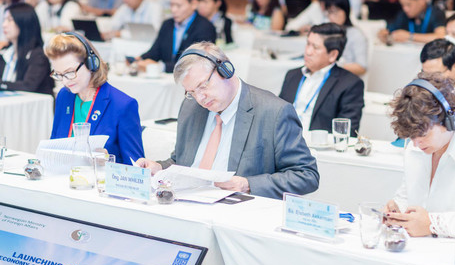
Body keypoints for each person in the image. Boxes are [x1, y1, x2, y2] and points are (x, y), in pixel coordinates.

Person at [136, 42, 319, 198]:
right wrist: (160, 167)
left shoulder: (274, 112)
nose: (200, 98)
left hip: (238, 211)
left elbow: (306, 175)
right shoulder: (191, 107)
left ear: (225, 70)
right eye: (191, 92)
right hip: (186, 204)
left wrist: (247, 184)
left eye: (203, 86)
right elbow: (182, 162)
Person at [383, 72, 455, 237]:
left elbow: (428, 221)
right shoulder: (414, 149)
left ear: (449, 121)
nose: (416, 144)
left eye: (423, 135)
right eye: (411, 137)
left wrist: (433, 224)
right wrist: (397, 210)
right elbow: (407, 198)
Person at [45, 32, 144, 165]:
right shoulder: (64, 96)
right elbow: (54, 147)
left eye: (70, 72)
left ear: (91, 63)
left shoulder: (123, 105)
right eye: (59, 74)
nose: (65, 81)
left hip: (101, 178)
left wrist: (108, 160)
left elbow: (137, 166)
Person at [279, 23, 364, 136]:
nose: (308, 52)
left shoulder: (349, 84)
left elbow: (346, 133)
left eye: (315, 47)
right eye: (308, 44)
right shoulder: (293, 75)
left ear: (332, 55)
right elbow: (277, 114)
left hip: (315, 145)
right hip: (282, 139)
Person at [0, 3, 52, 95]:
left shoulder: (38, 55)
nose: (4, 25)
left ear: (24, 23)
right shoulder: (7, 52)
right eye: (4, 20)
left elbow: (28, 86)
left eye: (9, 20)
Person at [137, 0, 216, 73]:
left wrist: (161, 67)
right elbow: (154, 52)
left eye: (178, 5)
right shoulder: (167, 24)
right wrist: (139, 59)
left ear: (194, 4)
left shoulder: (205, 27)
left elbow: (196, 63)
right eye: (171, 5)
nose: (173, 10)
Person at [377, 0, 446, 45]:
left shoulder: (436, 13)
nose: (405, 9)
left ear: (421, 0)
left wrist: (410, 36)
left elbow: (440, 37)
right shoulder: (403, 15)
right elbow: (388, 30)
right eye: (402, 5)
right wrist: (384, 35)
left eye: (408, 5)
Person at [325, 0, 368, 76]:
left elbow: (362, 67)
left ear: (346, 11)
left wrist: (334, 66)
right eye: (329, 12)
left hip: (345, 77)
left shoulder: (356, 35)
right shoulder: (327, 32)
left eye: (336, 11)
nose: (332, 16)